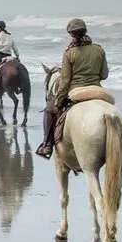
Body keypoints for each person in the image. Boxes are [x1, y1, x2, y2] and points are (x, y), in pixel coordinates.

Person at [36, 18, 108, 159]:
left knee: (49, 110)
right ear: (85, 31)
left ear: (71, 35)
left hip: (76, 91)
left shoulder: (69, 53)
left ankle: (47, 145)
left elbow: (65, 80)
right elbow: (104, 75)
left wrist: (58, 99)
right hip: (96, 89)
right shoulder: (99, 50)